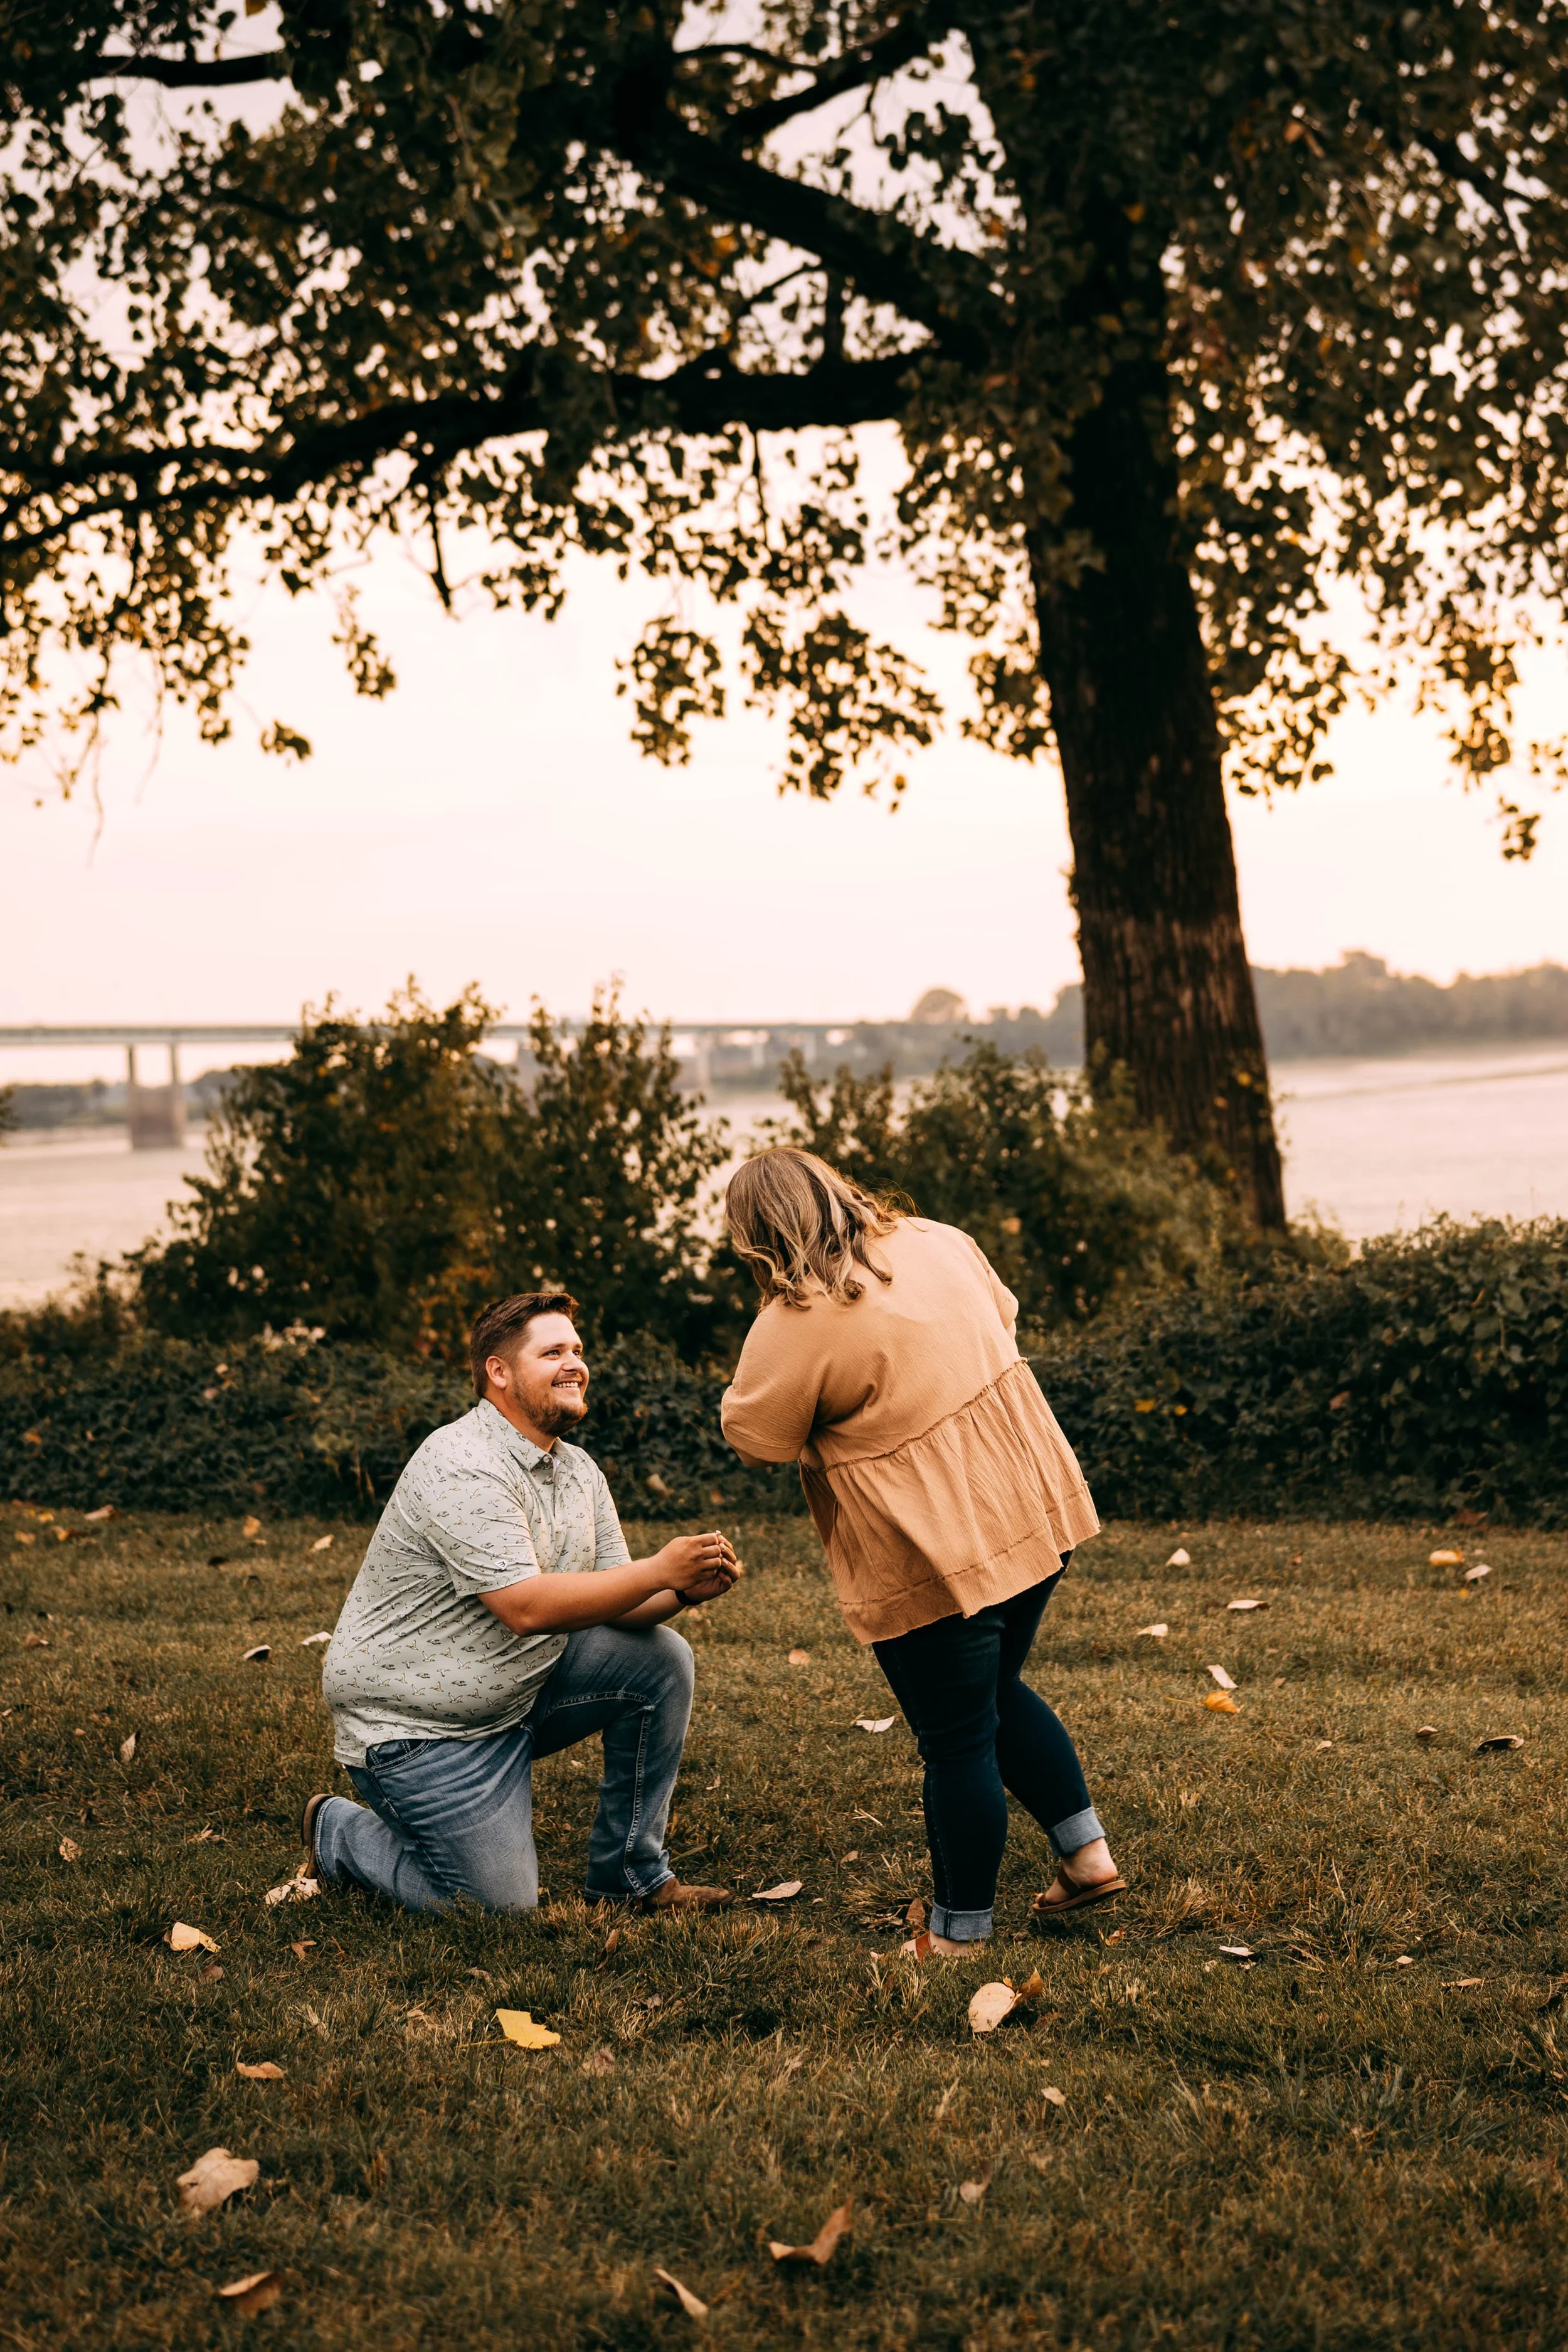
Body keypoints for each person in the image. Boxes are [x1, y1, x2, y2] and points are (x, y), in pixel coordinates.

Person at [720, 1149, 1123, 1957]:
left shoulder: (794, 1322)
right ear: (837, 1190)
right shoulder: (938, 1238)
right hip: (1030, 1506)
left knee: (956, 1739)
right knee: (994, 1689)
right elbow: (1000, 1317)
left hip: (931, 1547)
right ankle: (1085, 1857)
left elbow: (756, 1439)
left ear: (757, 1239)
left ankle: (957, 1936)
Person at [301, 1290, 740, 1915]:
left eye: (578, 1350)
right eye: (553, 1351)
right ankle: (337, 1831)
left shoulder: (578, 1470)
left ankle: (631, 1878)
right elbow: (525, 1607)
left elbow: (618, 1598)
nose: (575, 1364)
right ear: (498, 1372)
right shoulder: (461, 1462)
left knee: (661, 1659)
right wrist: (657, 1568)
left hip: (513, 1694)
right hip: (422, 1732)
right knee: (497, 1907)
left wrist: (678, 1590)